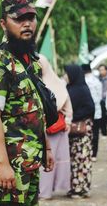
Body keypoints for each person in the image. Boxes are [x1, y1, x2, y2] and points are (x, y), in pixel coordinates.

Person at [0, 0, 54, 206]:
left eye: (31, 18)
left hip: (31, 157)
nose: (27, 24)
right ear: (4, 24)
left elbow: (37, 109)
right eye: (19, 19)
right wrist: (3, 165)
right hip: (11, 162)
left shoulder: (32, 61)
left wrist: (47, 147)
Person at [38, 55, 73, 200]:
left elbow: (67, 105)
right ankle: (42, 190)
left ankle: (45, 192)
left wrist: (69, 121)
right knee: (42, 160)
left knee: (51, 160)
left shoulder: (57, 83)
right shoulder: (34, 82)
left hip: (55, 129)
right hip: (41, 128)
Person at [64, 65, 95, 199]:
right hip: (73, 131)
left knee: (82, 159)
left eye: (67, 73)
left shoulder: (82, 89)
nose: (65, 76)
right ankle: (75, 187)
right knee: (73, 160)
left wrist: (73, 116)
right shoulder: (70, 88)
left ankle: (81, 188)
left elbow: (90, 108)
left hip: (82, 130)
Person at [81, 63, 102, 161]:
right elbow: (100, 97)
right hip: (97, 111)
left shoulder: (82, 81)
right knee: (96, 133)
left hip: (86, 112)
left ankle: (87, 152)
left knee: (87, 132)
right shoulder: (97, 81)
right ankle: (94, 154)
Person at [98, 64, 107, 136]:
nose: (101, 71)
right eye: (100, 70)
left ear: (106, 70)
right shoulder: (97, 79)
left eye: (102, 70)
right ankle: (104, 132)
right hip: (101, 101)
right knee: (102, 117)